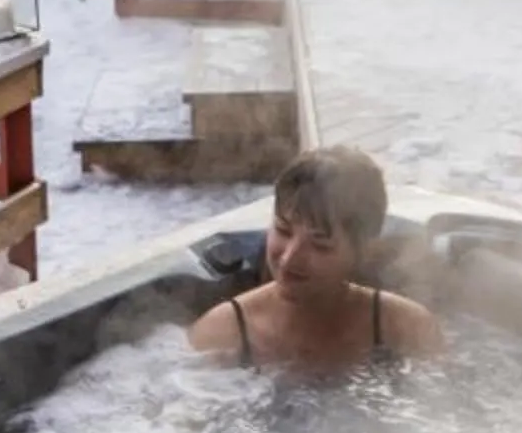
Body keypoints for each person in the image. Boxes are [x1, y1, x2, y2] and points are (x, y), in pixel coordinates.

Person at [187, 146, 445, 375]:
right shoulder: (222, 333)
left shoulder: (405, 329)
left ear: (365, 249)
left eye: (320, 245)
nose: (289, 259)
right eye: (283, 231)